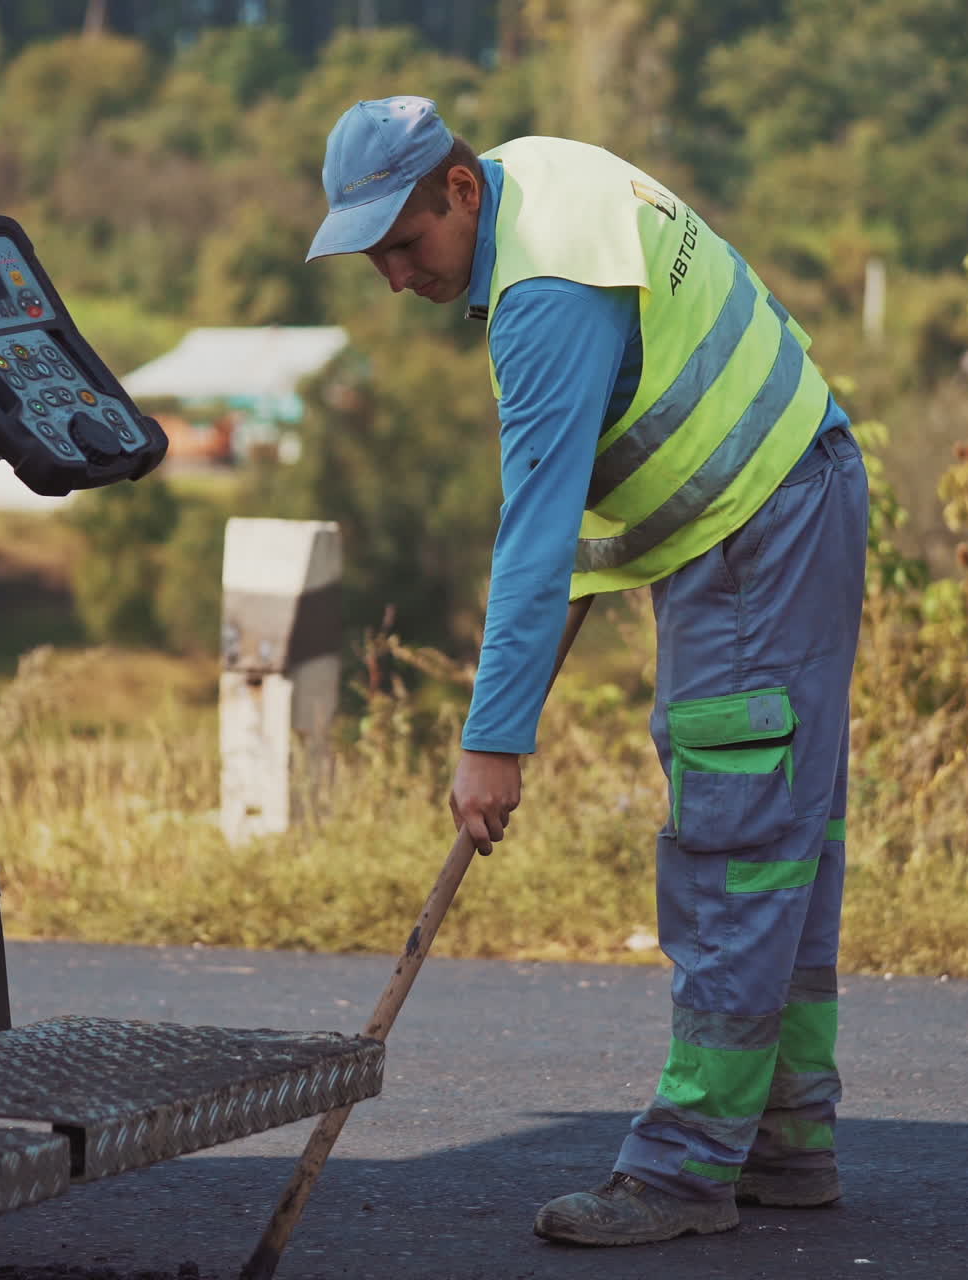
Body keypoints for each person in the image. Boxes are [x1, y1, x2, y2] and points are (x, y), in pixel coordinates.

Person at [306, 96, 868, 1248]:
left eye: (405, 244)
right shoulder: (540, 185)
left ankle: (684, 1167)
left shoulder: (543, 291)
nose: (395, 277)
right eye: (373, 258)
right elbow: (594, 477)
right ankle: (783, 1137)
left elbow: (535, 526)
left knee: (737, 840)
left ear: (458, 189)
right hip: (794, 488)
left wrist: (491, 742)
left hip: (752, 530)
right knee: (784, 838)